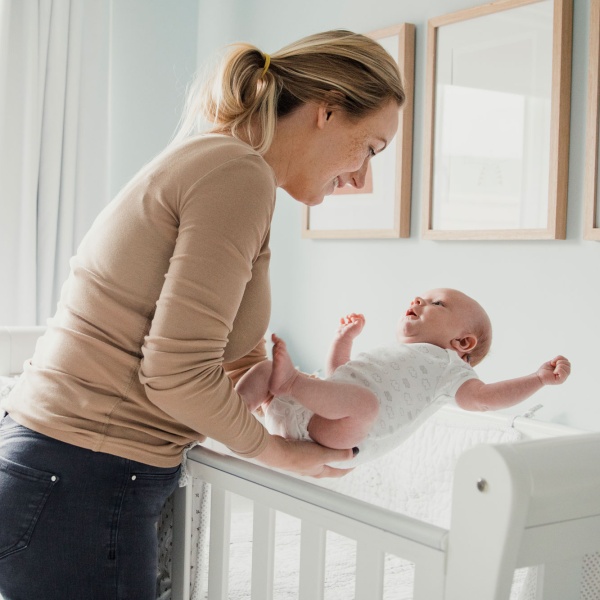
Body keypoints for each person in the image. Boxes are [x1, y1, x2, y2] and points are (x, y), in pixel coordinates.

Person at [0, 30, 405, 599]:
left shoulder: (225, 168)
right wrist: (284, 455)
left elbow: (217, 356)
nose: (364, 178)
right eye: (371, 148)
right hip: (85, 477)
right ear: (328, 111)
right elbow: (174, 372)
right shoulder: (236, 174)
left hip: (65, 471)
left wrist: (292, 389)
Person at [237, 288, 571, 467]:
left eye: (435, 303)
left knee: (365, 404)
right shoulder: (390, 355)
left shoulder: (450, 368)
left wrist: (537, 379)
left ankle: (289, 382)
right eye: (419, 298)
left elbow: (484, 400)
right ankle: (232, 410)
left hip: (339, 438)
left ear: (463, 342)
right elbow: (337, 376)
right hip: (308, 412)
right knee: (266, 370)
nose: (417, 301)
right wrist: (344, 339)